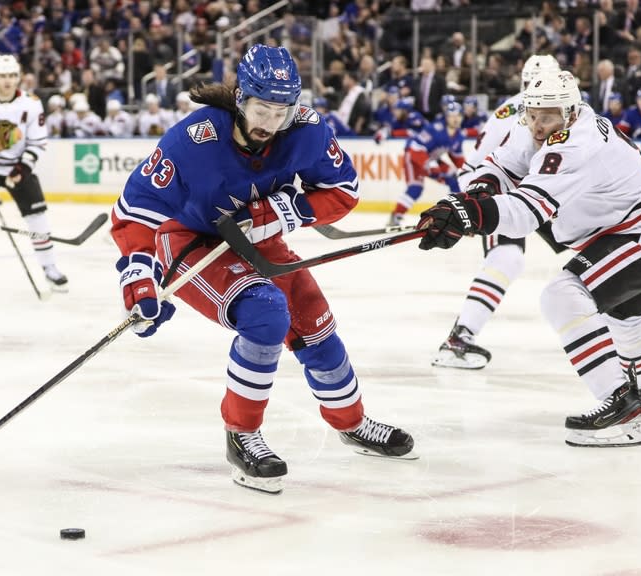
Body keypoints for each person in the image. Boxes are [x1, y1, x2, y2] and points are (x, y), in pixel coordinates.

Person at [110, 44, 416, 494]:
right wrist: (139, 276)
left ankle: (351, 422)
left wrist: (287, 211)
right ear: (240, 100)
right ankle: (242, 435)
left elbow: (344, 190)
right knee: (265, 312)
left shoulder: (306, 131)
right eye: (260, 109)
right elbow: (135, 210)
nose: (269, 124)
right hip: (194, 242)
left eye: (280, 112)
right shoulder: (192, 139)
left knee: (314, 320)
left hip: (259, 238)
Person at [416, 70, 641, 447]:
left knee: (562, 295)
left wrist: (468, 215)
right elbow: (502, 165)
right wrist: (474, 197)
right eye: (532, 114)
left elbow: (528, 211)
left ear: (571, 113)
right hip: (637, 229)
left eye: (549, 116)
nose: (538, 125)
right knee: (624, 313)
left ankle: (621, 405)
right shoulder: (540, 125)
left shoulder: (576, 144)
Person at [432, 55, 564, 369]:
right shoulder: (512, 112)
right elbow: (476, 164)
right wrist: (474, 205)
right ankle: (459, 339)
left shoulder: (567, 113)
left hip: (538, 194)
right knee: (507, 257)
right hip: (507, 192)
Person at [0, 54, 67, 296]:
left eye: (11, 76)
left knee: (38, 218)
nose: (7, 81)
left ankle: (50, 268)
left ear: (18, 77)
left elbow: (38, 141)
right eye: (1, 76)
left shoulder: (31, 103)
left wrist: (22, 169)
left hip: (18, 166)